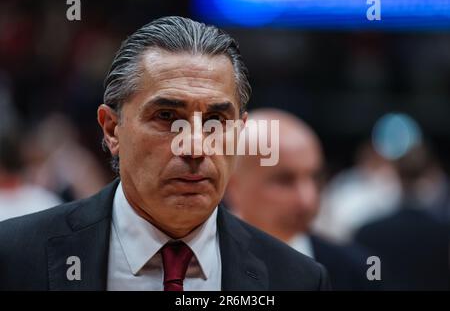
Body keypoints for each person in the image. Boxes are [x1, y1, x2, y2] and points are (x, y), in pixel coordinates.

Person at [0, 16, 330, 291]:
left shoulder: (298, 280)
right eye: (167, 117)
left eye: (216, 121)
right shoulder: (13, 257)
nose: (195, 146)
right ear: (112, 129)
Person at [226, 108, 376, 290]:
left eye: (314, 177)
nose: (307, 199)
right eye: (284, 180)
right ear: (233, 186)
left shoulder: (356, 270)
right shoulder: (202, 266)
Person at [355, 144, 450, 290]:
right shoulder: (443, 233)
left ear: (397, 175)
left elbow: (370, 277)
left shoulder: (368, 233)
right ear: (430, 175)